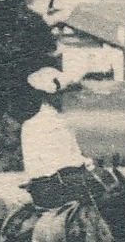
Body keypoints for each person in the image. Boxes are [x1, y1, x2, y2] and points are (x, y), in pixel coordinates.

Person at [21, 67, 96, 205]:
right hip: (49, 185)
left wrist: (85, 162)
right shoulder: (33, 125)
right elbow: (49, 163)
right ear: (47, 97)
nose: (64, 98)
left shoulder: (63, 122)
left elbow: (73, 152)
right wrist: (82, 164)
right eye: (60, 94)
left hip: (65, 180)